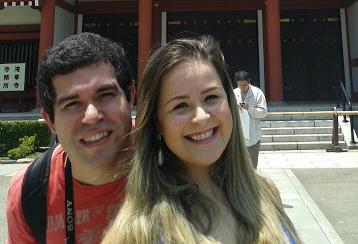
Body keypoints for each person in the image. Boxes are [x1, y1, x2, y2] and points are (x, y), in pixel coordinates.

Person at [101, 35, 300, 244]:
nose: (202, 116)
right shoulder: (136, 229)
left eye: (211, 97)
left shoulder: (265, 190)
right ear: (157, 122)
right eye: (180, 106)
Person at [6, 32, 135, 244]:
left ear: (130, 96)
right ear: (50, 121)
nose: (92, 116)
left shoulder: (173, 161)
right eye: (72, 104)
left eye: (105, 95)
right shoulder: (29, 192)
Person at [233, 70, 268, 168]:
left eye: (244, 85)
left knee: (252, 167)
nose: (242, 88)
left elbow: (264, 112)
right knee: (238, 166)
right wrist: (234, 108)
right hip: (238, 135)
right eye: (240, 85)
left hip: (253, 135)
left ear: (249, 81)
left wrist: (249, 108)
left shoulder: (257, 93)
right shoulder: (234, 93)